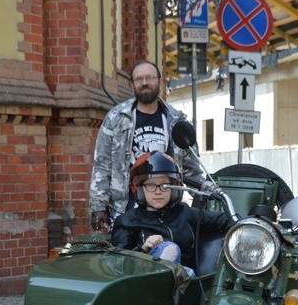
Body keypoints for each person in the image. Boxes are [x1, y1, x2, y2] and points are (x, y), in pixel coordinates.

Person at [90, 60, 204, 233]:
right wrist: (99, 206)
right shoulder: (116, 118)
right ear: (132, 84)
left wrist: (207, 197)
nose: (144, 83)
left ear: (159, 80)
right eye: (139, 79)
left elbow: (191, 170)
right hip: (125, 211)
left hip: (168, 213)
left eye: (149, 78)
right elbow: (102, 164)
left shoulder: (176, 121)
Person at [110, 151, 233, 276]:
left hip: (190, 287)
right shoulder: (127, 221)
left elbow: (226, 220)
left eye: (165, 185)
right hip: (143, 285)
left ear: (175, 187)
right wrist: (142, 251)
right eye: (150, 185)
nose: (158, 191)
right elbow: (118, 266)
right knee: (168, 249)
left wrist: (248, 224)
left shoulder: (186, 213)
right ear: (139, 188)